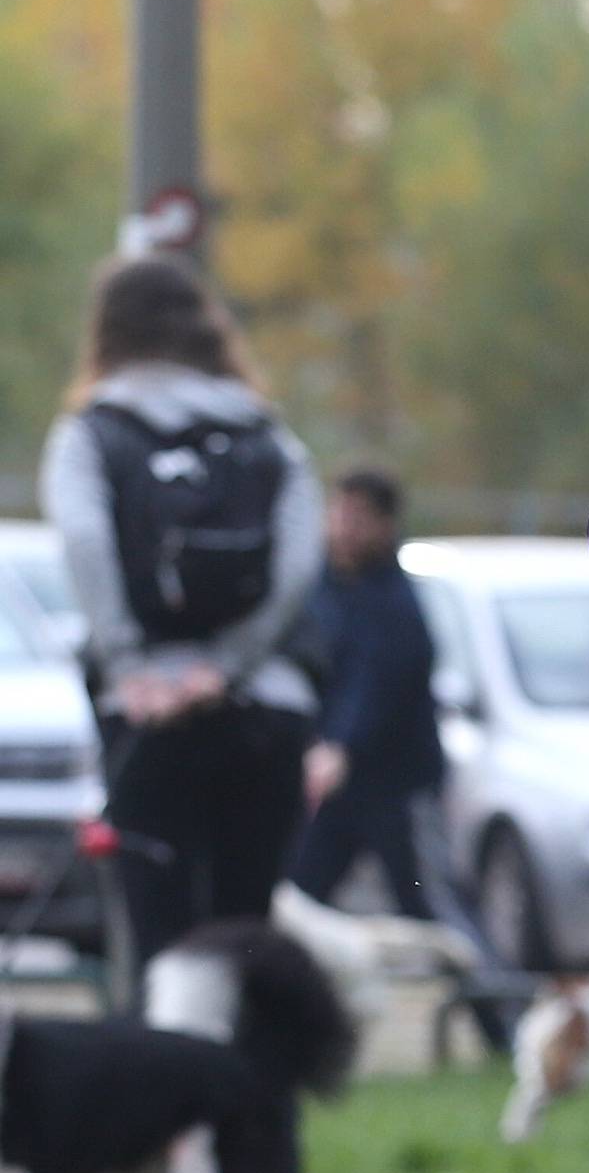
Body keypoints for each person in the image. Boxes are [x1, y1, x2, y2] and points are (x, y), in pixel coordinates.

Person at [41, 254, 323, 976]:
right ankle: (248, 1079)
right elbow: (298, 562)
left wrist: (132, 665)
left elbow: (83, 541)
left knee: (157, 930)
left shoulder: (95, 430)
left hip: (146, 715)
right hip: (263, 706)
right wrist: (230, 664)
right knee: (243, 930)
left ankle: (163, 1078)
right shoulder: (265, 432)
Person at [290, 468, 512, 1052]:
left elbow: (376, 682)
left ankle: (506, 1030)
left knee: (434, 906)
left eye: (356, 519)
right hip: (335, 795)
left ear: (385, 527)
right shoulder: (319, 588)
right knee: (296, 901)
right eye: (337, 515)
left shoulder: (395, 602)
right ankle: (286, 1030)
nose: (341, 529)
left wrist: (340, 745)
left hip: (396, 792)